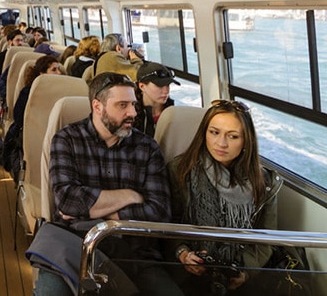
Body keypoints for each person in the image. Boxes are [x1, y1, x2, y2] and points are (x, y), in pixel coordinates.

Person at [36, 72, 181, 296]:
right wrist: (132, 196)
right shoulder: (67, 140)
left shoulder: (147, 148)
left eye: (133, 104)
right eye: (122, 105)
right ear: (98, 106)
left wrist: (97, 215)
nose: (132, 113)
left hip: (135, 252)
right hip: (75, 245)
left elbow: (160, 213)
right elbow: (68, 201)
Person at [168, 100, 282, 295]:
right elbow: (168, 222)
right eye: (214, 132)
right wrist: (183, 253)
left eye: (233, 136)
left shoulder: (264, 182)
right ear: (204, 133)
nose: (221, 143)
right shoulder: (180, 170)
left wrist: (245, 271)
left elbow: (266, 237)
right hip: (187, 273)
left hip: (241, 272)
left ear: (246, 141)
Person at [1, 54, 62, 179]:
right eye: (54, 70)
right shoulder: (28, 92)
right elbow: (19, 118)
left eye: (59, 69)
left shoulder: (63, 95)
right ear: (41, 74)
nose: (59, 73)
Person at [0, 30, 25, 142]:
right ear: (10, 42)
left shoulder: (27, 56)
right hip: (5, 83)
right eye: (17, 40)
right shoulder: (3, 56)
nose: (20, 43)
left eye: (22, 40)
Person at [134, 62, 178, 136]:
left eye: (168, 85)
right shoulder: (131, 114)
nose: (166, 91)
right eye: (159, 86)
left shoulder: (173, 113)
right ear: (142, 86)